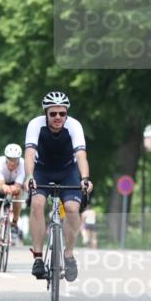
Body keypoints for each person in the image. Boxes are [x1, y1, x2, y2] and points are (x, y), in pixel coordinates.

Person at [24, 91, 92, 281]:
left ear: (66, 113)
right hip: (42, 170)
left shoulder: (74, 126)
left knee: (72, 208)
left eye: (62, 113)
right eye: (53, 113)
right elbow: (29, 154)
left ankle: (68, 254)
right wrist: (29, 176)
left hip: (67, 172)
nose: (57, 117)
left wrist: (85, 178)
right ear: (46, 113)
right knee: (37, 203)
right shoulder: (35, 125)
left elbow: (81, 156)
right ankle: (38, 257)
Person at [0, 143, 25, 265]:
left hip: (14, 184)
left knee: (18, 195)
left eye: (15, 160)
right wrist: (7, 189)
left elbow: (18, 186)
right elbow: (1, 186)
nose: (13, 163)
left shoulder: (23, 165)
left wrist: (14, 189)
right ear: (6, 158)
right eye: (10, 160)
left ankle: (14, 223)